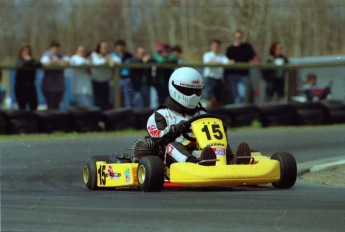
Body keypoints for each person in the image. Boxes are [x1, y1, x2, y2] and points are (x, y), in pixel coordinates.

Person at [147, 67, 251, 167]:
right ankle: (196, 164)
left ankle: (230, 160)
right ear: (175, 88)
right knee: (172, 146)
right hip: (171, 161)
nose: (194, 96)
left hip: (202, 152)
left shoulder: (202, 114)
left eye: (197, 92)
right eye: (188, 91)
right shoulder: (161, 115)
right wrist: (176, 129)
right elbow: (158, 137)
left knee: (217, 135)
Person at [225, 30, 259, 104]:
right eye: (236, 37)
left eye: (239, 37)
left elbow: (253, 56)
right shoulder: (230, 49)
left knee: (242, 94)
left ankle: (237, 109)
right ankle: (236, 109)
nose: (238, 39)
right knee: (234, 95)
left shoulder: (247, 47)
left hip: (243, 75)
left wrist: (255, 60)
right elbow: (225, 60)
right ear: (234, 38)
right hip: (232, 75)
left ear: (242, 37)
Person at [40, 41, 69, 110]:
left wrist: (54, 62)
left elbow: (67, 62)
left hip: (60, 87)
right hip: (48, 87)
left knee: (57, 107)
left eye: (57, 47)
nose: (56, 49)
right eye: (54, 47)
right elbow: (45, 63)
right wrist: (59, 62)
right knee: (50, 107)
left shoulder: (62, 55)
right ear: (50, 48)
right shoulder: (46, 55)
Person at [91, 41, 119, 110]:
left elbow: (117, 61)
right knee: (98, 102)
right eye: (103, 47)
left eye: (106, 47)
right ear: (99, 48)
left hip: (106, 82)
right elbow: (96, 63)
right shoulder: (94, 54)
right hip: (96, 82)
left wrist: (109, 60)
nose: (105, 49)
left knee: (106, 102)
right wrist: (106, 60)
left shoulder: (111, 55)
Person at [14, 44, 41, 110]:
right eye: (24, 51)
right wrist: (27, 61)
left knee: (34, 106)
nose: (26, 53)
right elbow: (20, 66)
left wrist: (30, 60)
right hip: (21, 87)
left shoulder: (32, 60)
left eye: (27, 51)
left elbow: (39, 64)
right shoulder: (19, 61)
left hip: (31, 86)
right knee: (22, 107)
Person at [203, 39, 229, 107]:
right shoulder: (207, 55)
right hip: (210, 79)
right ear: (211, 46)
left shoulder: (222, 56)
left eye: (217, 46)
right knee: (210, 99)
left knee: (219, 100)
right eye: (214, 46)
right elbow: (208, 62)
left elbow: (228, 62)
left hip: (219, 80)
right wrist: (219, 62)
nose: (216, 47)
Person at [110, 39, 133, 108]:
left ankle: (128, 111)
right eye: (118, 46)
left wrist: (130, 76)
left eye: (121, 46)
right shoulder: (112, 56)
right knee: (115, 97)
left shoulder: (129, 56)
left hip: (126, 79)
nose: (120, 48)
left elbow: (132, 68)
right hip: (116, 79)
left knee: (127, 96)